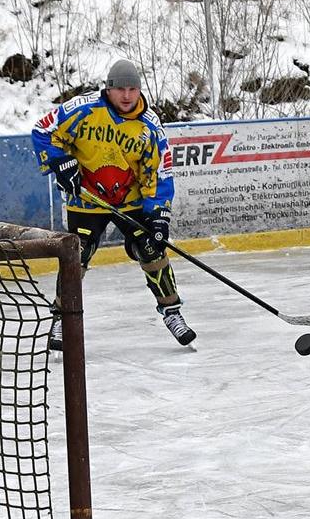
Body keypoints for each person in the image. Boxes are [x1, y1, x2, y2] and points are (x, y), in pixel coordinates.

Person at [31, 58, 194, 348]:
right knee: (76, 255)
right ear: (109, 89)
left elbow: (158, 172)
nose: (127, 96)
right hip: (86, 199)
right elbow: (43, 132)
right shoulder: (82, 109)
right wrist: (60, 161)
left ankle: (172, 311)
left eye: (132, 89)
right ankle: (60, 318)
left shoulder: (149, 127)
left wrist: (158, 215)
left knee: (151, 248)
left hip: (128, 200)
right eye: (120, 89)